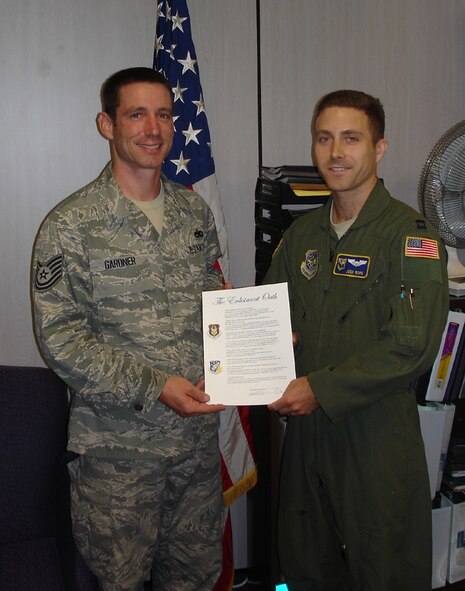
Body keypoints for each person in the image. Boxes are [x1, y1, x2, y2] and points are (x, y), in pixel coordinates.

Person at [31, 67, 226, 591]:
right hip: (120, 458)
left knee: (195, 580)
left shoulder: (194, 213)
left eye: (163, 114)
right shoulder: (71, 225)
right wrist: (157, 386)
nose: (153, 128)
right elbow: (63, 341)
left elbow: (212, 301)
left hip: (196, 451)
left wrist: (260, 336)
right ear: (107, 124)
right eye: (136, 113)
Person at [265, 90, 449, 591]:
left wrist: (319, 389)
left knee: (384, 565)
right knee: (304, 562)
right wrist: (246, 330)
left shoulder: (410, 236)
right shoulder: (300, 236)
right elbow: (272, 318)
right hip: (304, 437)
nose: (335, 152)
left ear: (380, 148)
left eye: (351, 138)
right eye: (324, 138)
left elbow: (411, 347)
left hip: (374, 436)